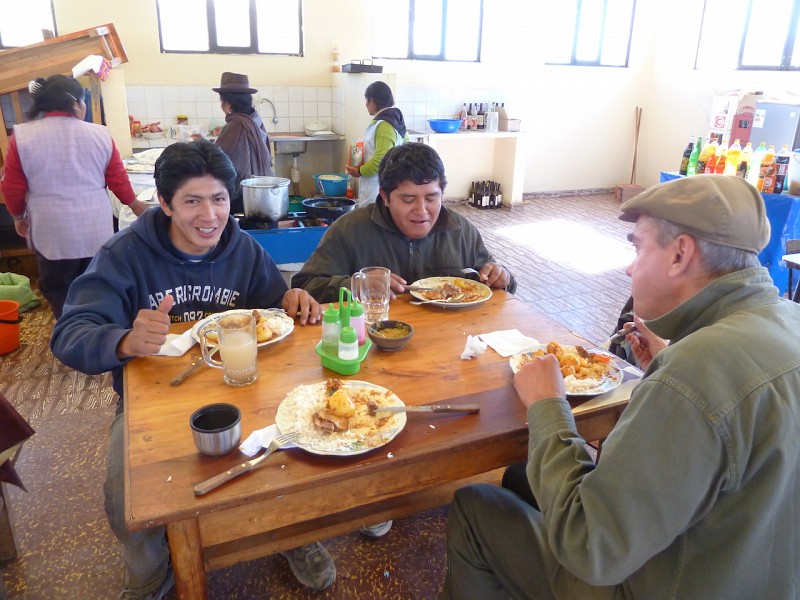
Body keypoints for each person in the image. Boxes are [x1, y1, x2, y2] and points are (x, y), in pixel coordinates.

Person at [442, 174, 800, 599]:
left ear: (680, 254)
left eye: (638, 248)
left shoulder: (692, 374)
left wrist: (547, 404)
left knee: (476, 506)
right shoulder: (787, 320)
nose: (630, 268)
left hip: (654, 583)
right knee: (523, 478)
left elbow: (590, 547)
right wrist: (665, 364)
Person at [50, 140, 335, 598]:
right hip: (153, 400)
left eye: (219, 199)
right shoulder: (124, 254)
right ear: (164, 204)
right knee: (126, 497)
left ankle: (292, 534)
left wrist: (290, 299)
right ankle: (151, 573)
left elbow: (270, 307)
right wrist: (123, 340)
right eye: (192, 201)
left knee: (294, 448)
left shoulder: (242, 249)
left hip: (241, 383)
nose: (210, 215)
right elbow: (69, 334)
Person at [0, 74, 147, 318]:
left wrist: (18, 216)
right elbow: (117, 179)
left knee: (58, 286)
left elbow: (12, 187)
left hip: (50, 230)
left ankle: (68, 326)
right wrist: (134, 203)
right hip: (94, 227)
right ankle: (97, 325)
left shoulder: (22, 137)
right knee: (96, 283)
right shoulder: (100, 134)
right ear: (76, 103)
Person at [295, 142, 516, 304]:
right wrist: (356, 285)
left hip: (448, 343)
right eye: (408, 200)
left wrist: (502, 276)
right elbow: (304, 286)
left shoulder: (460, 231)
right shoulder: (349, 230)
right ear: (385, 196)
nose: (421, 211)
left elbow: (498, 283)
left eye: (431, 198)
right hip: (370, 342)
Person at [213, 72, 274, 214]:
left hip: (242, 196)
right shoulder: (254, 119)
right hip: (260, 191)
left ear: (228, 104)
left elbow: (218, 160)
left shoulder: (236, 125)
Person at [344, 81, 409, 208]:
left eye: (366, 100)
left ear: (372, 101)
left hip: (377, 188)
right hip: (384, 185)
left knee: (375, 215)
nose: (366, 104)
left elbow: (382, 159)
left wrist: (359, 171)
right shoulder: (394, 120)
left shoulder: (385, 125)